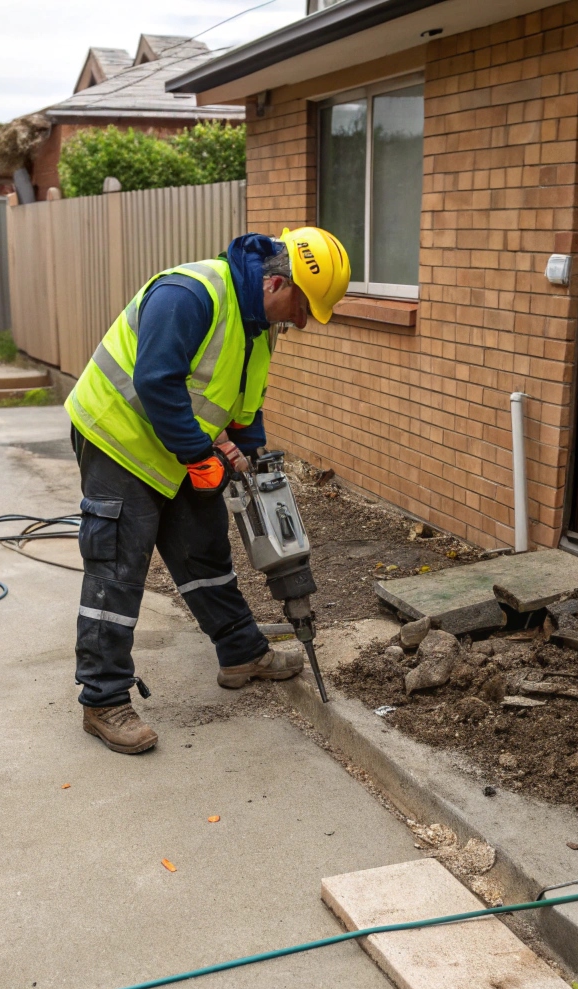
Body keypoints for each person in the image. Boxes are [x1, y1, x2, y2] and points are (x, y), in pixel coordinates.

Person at [65, 228, 351, 753]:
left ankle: (241, 650)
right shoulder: (191, 294)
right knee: (119, 567)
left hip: (176, 444)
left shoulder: (258, 325)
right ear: (275, 282)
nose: (303, 321)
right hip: (118, 438)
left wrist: (254, 456)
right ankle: (103, 700)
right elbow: (156, 381)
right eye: (303, 306)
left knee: (204, 545)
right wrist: (200, 453)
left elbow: (244, 405)